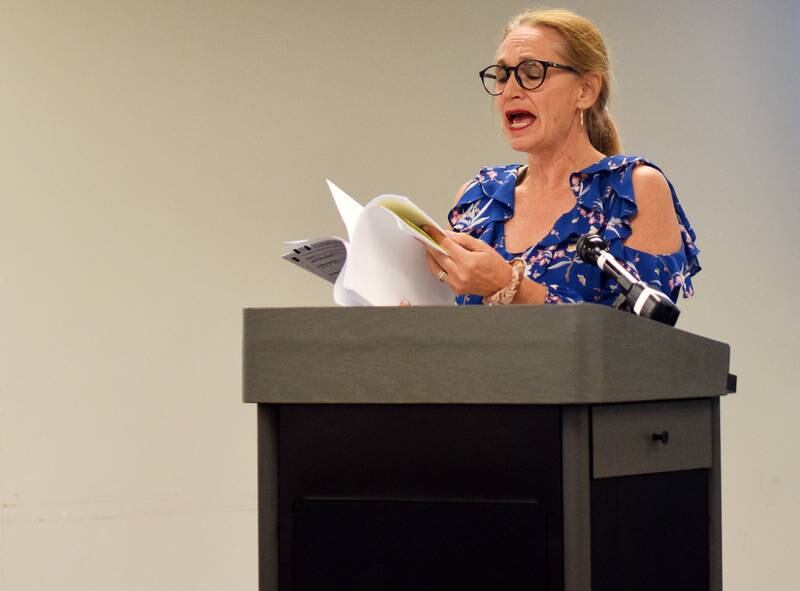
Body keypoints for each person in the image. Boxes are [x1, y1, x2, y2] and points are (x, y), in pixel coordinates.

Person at [422, 8, 700, 306]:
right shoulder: (479, 198)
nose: (510, 91)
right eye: (502, 76)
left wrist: (507, 285)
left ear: (586, 90)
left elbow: (640, 339)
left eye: (532, 73)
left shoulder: (631, 190)